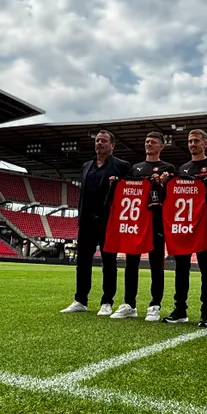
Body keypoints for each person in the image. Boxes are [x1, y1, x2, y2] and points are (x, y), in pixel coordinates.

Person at [61, 130, 130, 315]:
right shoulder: (86, 166)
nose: (99, 143)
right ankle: (80, 300)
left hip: (108, 221)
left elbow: (130, 191)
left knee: (109, 263)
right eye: (97, 140)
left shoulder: (122, 166)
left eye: (104, 141)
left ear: (112, 145)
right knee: (83, 262)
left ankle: (107, 302)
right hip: (86, 221)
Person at [111, 131, 175, 321]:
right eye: (147, 141)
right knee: (131, 263)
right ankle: (129, 304)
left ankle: (155, 305)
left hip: (156, 221)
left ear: (162, 146)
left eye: (153, 142)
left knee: (156, 264)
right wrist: (116, 183)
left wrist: (163, 184)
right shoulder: (135, 169)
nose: (149, 144)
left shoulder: (168, 168)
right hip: (136, 222)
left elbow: (171, 195)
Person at [164, 130, 207, 327]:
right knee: (181, 268)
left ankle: (206, 313)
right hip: (184, 227)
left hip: (204, 226)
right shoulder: (184, 168)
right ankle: (180, 309)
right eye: (190, 141)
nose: (192, 144)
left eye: (196, 141)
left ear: (205, 143)